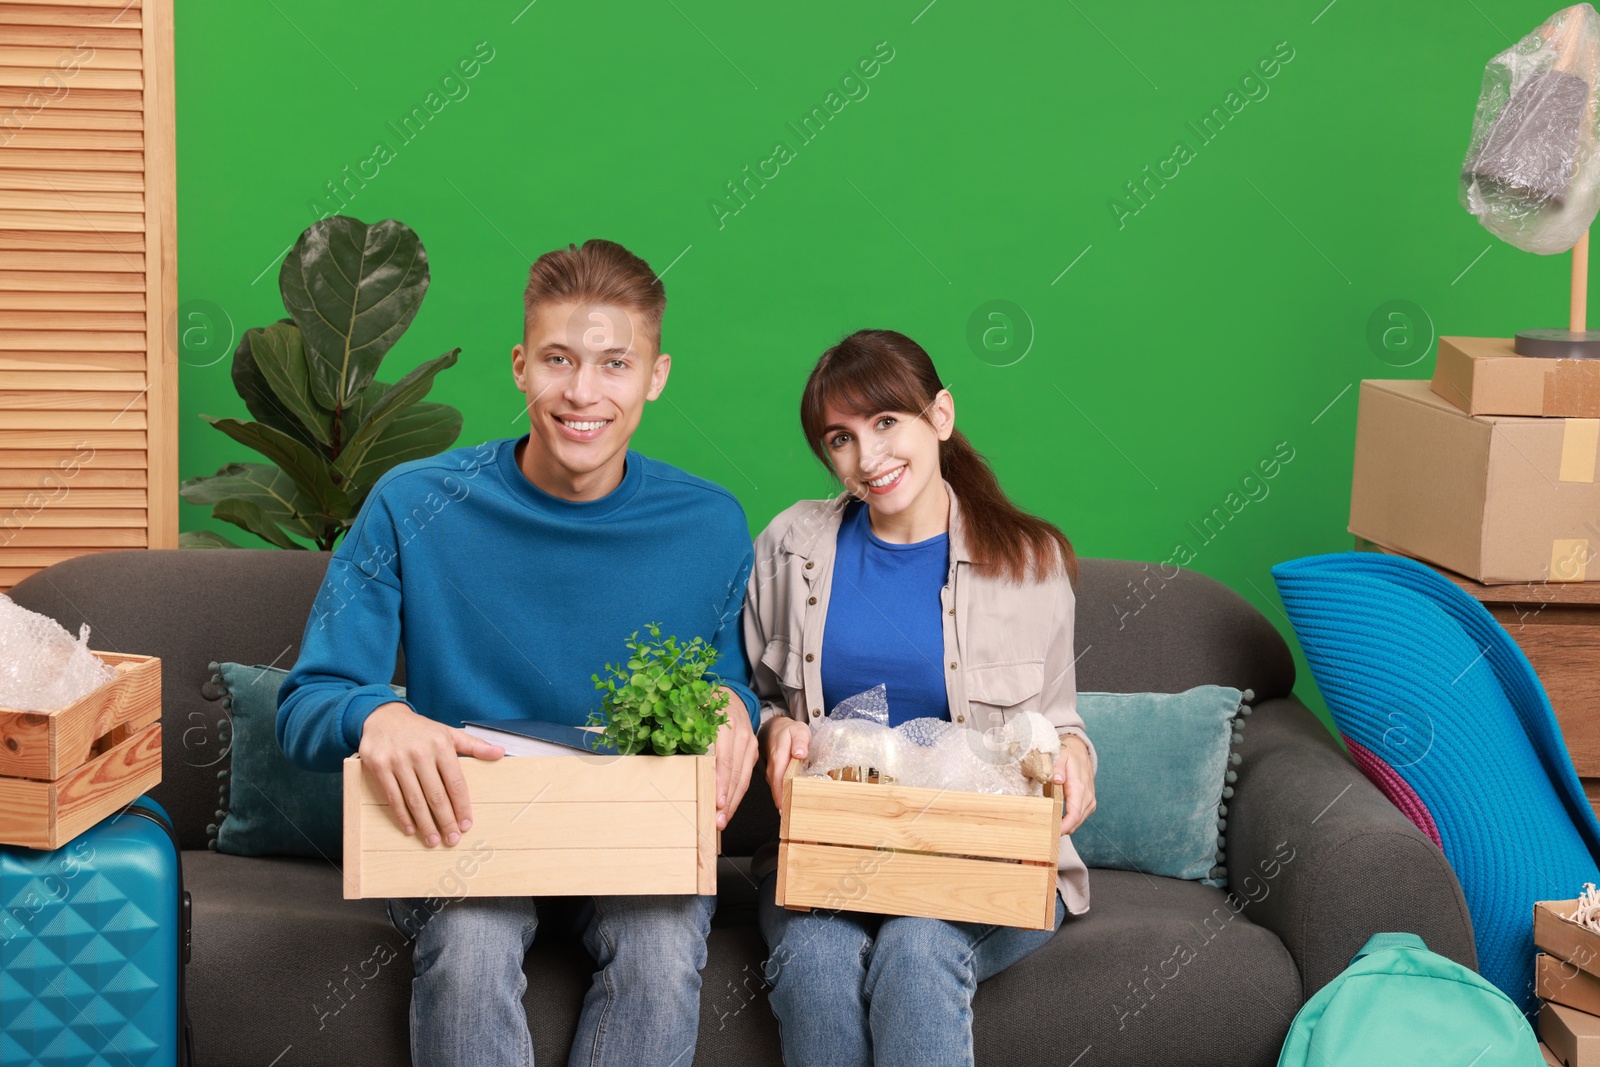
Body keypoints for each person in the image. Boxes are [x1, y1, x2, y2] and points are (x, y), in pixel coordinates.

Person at [276, 239, 761, 1067]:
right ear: (519, 365)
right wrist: (376, 711)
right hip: (469, 824)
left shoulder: (710, 524)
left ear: (656, 375)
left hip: (633, 835)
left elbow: (726, 680)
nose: (582, 392)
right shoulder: (413, 503)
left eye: (615, 363)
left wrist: (734, 709)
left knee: (661, 948)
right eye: (558, 359)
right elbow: (307, 702)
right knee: (468, 941)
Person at [742, 328, 1098, 1067]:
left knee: (915, 943)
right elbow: (759, 697)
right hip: (827, 854)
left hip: (987, 857)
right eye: (840, 438)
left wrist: (1073, 755)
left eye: (885, 423)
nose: (867, 459)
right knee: (813, 961)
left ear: (939, 415)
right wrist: (774, 729)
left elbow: (1061, 723)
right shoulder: (789, 547)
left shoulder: (1029, 562)